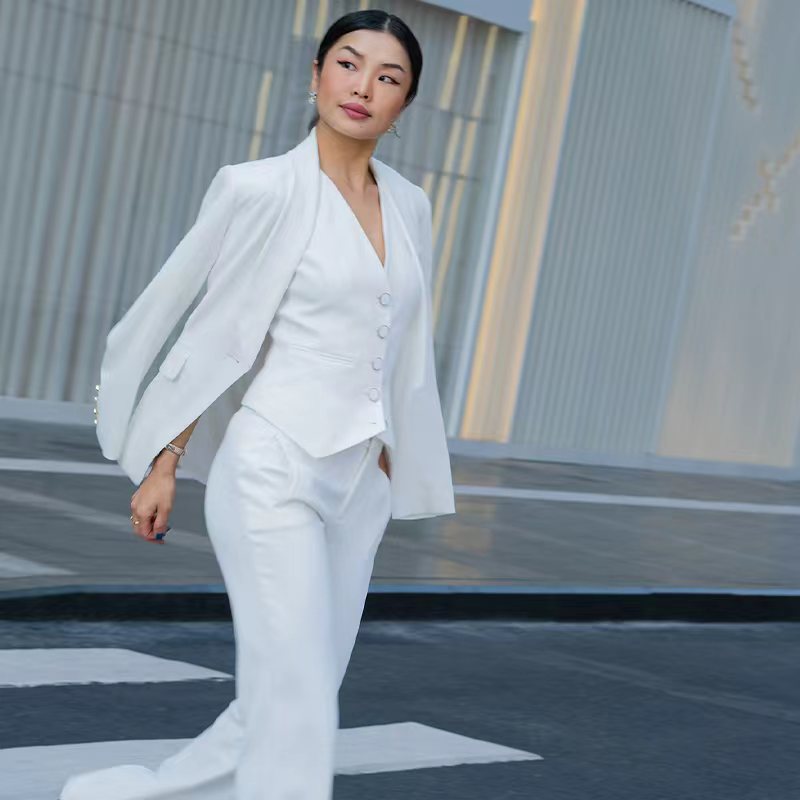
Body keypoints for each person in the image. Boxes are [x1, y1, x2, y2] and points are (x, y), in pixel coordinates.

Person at [62, 8, 454, 800]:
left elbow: (403, 338)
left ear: (404, 107)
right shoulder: (259, 188)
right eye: (348, 64)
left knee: (287, 689)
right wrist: (165, 462)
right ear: (315, 74)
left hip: (358, 484)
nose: (363, 87)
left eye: (389, 78)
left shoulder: (411, 205)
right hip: (272, 468)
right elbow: (211, 335)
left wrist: (389, 451)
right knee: (298, 696)